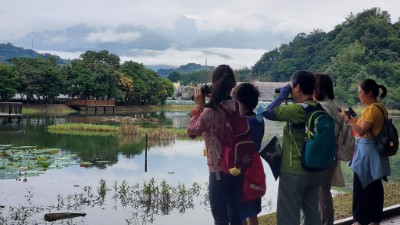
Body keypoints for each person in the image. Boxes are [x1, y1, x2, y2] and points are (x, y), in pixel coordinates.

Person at [187, 64, 244, 225]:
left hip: (219, 171)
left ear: (213, 84)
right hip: (239, 169)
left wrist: (198, 107)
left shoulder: (210, 111)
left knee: (220, 218)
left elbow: (192, 132)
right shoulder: (239, 106)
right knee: (235, 216)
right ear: (233, 84)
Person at [262, 70, 321, 225]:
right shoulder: (319, 108)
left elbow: (266, 112)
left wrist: (282, 95)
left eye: (291, 86)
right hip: (315, 171)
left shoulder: (297, 110)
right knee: (312, 213)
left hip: (294, 171)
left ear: (297, 88)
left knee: (288, 216)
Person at [339, 79, 391, 225]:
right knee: (373, 185)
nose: (359, 96)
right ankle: (374, 218)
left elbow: (361, 131)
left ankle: (361, 219)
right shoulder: (380, 107)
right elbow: (363, 125)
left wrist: (346, 119)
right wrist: (351, 118)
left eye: (360, 93)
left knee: (361, 185)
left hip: (366, 152)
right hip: (373, 151)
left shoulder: (372, 109)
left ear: (369, 93)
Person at [314, 73, 345, 225]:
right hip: (330, 155)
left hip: (323, 156)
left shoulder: (323, 107)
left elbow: (321, 135)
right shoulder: (332, 104)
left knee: (322, 194)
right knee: (324, 192)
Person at [233, 83, 266, 225]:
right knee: (252, 210)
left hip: (241, 167)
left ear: (239, 103)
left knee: (239, 210)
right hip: (255, 165)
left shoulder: (242, 122)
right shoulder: (259, 119)